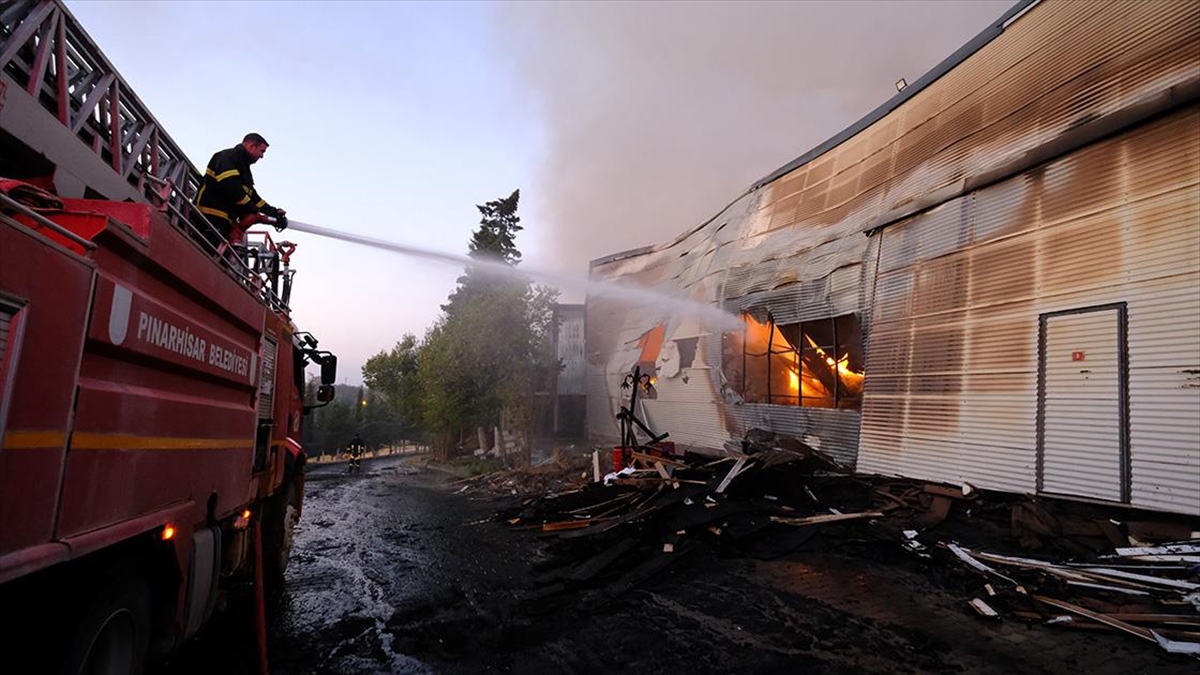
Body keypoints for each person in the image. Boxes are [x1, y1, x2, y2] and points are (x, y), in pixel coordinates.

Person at [193, 132, 287, 254]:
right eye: (261, 151)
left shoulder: (244, 169)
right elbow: (231, 186)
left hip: (223, 223)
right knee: (209, 257)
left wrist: (273, 212)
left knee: (219, 259)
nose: (262, 156)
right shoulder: (227, 157)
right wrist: (251, 209)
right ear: (251, 146)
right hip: (209, 217)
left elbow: (253, 197)